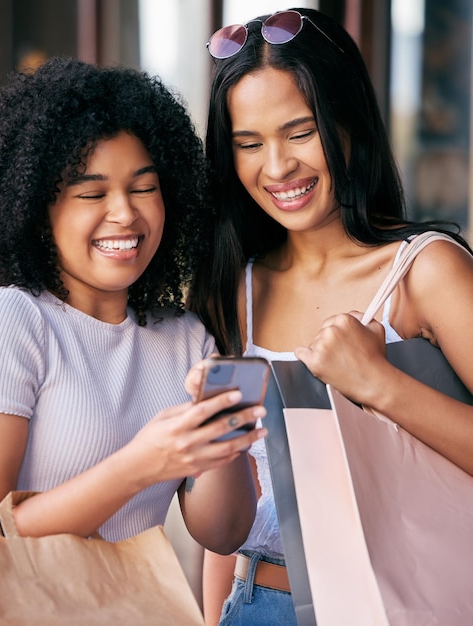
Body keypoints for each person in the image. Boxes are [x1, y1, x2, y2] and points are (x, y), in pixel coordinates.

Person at [188, 7, 473, 625]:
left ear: (347, 123)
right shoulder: (233, 293)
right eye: (248, 143)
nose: (277, 166)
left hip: (408, 606)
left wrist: (380, 384)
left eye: (299, 131)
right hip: (258, 603)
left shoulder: (423, 272)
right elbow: (229, 524)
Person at [0, 56, 269, 564]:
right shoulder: (11, 319)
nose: (125, 213)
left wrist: (227, 423)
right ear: (34, 209)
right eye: (92, 192)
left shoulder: (187, 339)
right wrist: (141, 465)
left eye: (144, 188)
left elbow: (223, 535)